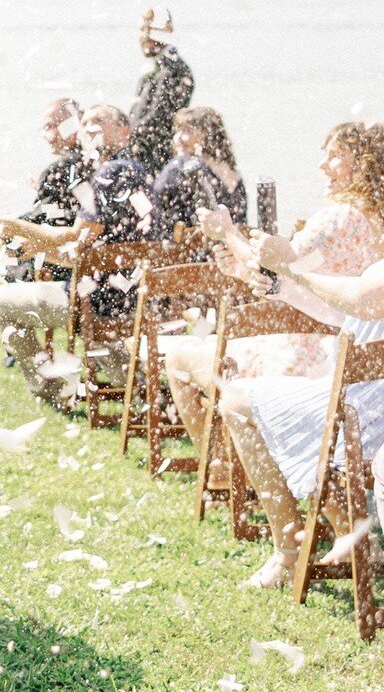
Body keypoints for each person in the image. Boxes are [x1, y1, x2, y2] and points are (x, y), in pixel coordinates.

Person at [161, 122, 384, 457]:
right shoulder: (376, 218)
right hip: (360, 357)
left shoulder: (339, 217)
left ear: (366, 162)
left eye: (336, 156)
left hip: (317, 352)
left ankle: (225, 467)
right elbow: (294, 280)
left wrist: (227, 233)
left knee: (181, 359)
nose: (322, 166)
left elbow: (273, 264)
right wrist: (244, 270)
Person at [205, 173, 384, 590]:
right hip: (364, 397)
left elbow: (363, 301)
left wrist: (287, 267)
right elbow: (349, 315)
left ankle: (289, 549)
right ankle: (352, 536)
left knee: (235, 399)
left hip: (367, 409)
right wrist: (280, 284)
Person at [0, 105, 158, 409]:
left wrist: (13, 225)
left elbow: (69, 239)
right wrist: (39, 249)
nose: (90, 128)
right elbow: (91, 250)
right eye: (86, 123)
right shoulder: (138, 170)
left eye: (100, 122)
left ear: (125, 131)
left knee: (0, 301)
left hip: (96, 302)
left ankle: (48, 389)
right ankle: (144, 393)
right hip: (131, 297)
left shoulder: (107, 174)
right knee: (108, 344)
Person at [2, 98, 86, 285]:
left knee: (13, 258)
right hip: (93, 266)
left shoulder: (59, 170)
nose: (46, 135)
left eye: (50, 126)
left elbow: (47, 225)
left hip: (62, 270)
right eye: (43, 129)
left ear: (72, 124)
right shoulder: (98, 164)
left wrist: (4, 225)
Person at [152, 106, 247, 243]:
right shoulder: (232, 171)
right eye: (178, 131)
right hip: (230, 248)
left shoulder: (181, 166)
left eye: (186, 131)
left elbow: (155, 204)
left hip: (192, 253)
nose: (177, 137)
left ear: (205, 134)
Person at [128, 9, 194, 178]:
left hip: (156, 160)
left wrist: (123, 137)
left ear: (168, 30)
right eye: (142, 29)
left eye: (149, 29)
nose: (143, 36)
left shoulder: (173, 69)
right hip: (146, 157)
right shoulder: (158, 66)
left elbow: (158, 118)